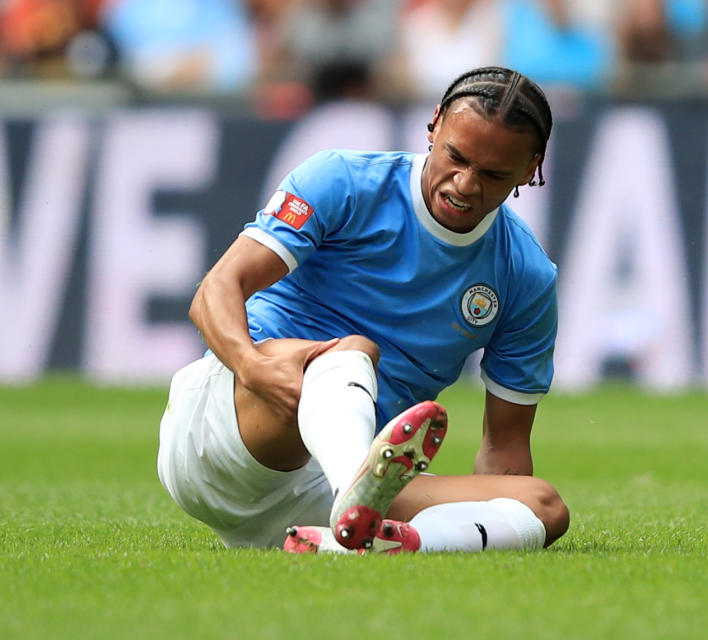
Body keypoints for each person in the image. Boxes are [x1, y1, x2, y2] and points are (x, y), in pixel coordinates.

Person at [157, 66, 570, 554]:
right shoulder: (344, 180)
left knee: (542, 506)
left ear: (529, 169)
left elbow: (503, 452)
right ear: (434, 124)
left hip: (329, 489)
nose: (463, 184)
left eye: (494, 174)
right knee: (353, 353)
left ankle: (367, 540)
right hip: (231, 434)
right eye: (455, 157)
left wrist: (493, 516)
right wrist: (252, 368)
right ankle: (357, 494)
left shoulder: (525, 275)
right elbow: (216, 289)